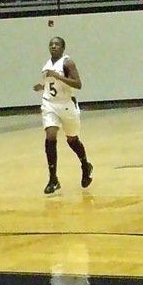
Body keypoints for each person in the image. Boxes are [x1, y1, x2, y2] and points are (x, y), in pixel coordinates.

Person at [32, 36, 93, 194]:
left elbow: (78, 84)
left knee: (72, 140)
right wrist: (41, 86)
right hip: (49, 103)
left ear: (63, 48)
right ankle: (53, 178)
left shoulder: (67, 63)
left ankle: (85, 165)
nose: (53, 46)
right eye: (51, 44)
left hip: (66, 105)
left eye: (57, 44)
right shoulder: (47, 65)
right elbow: (49, 83)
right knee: (50, 136)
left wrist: (58, 76)